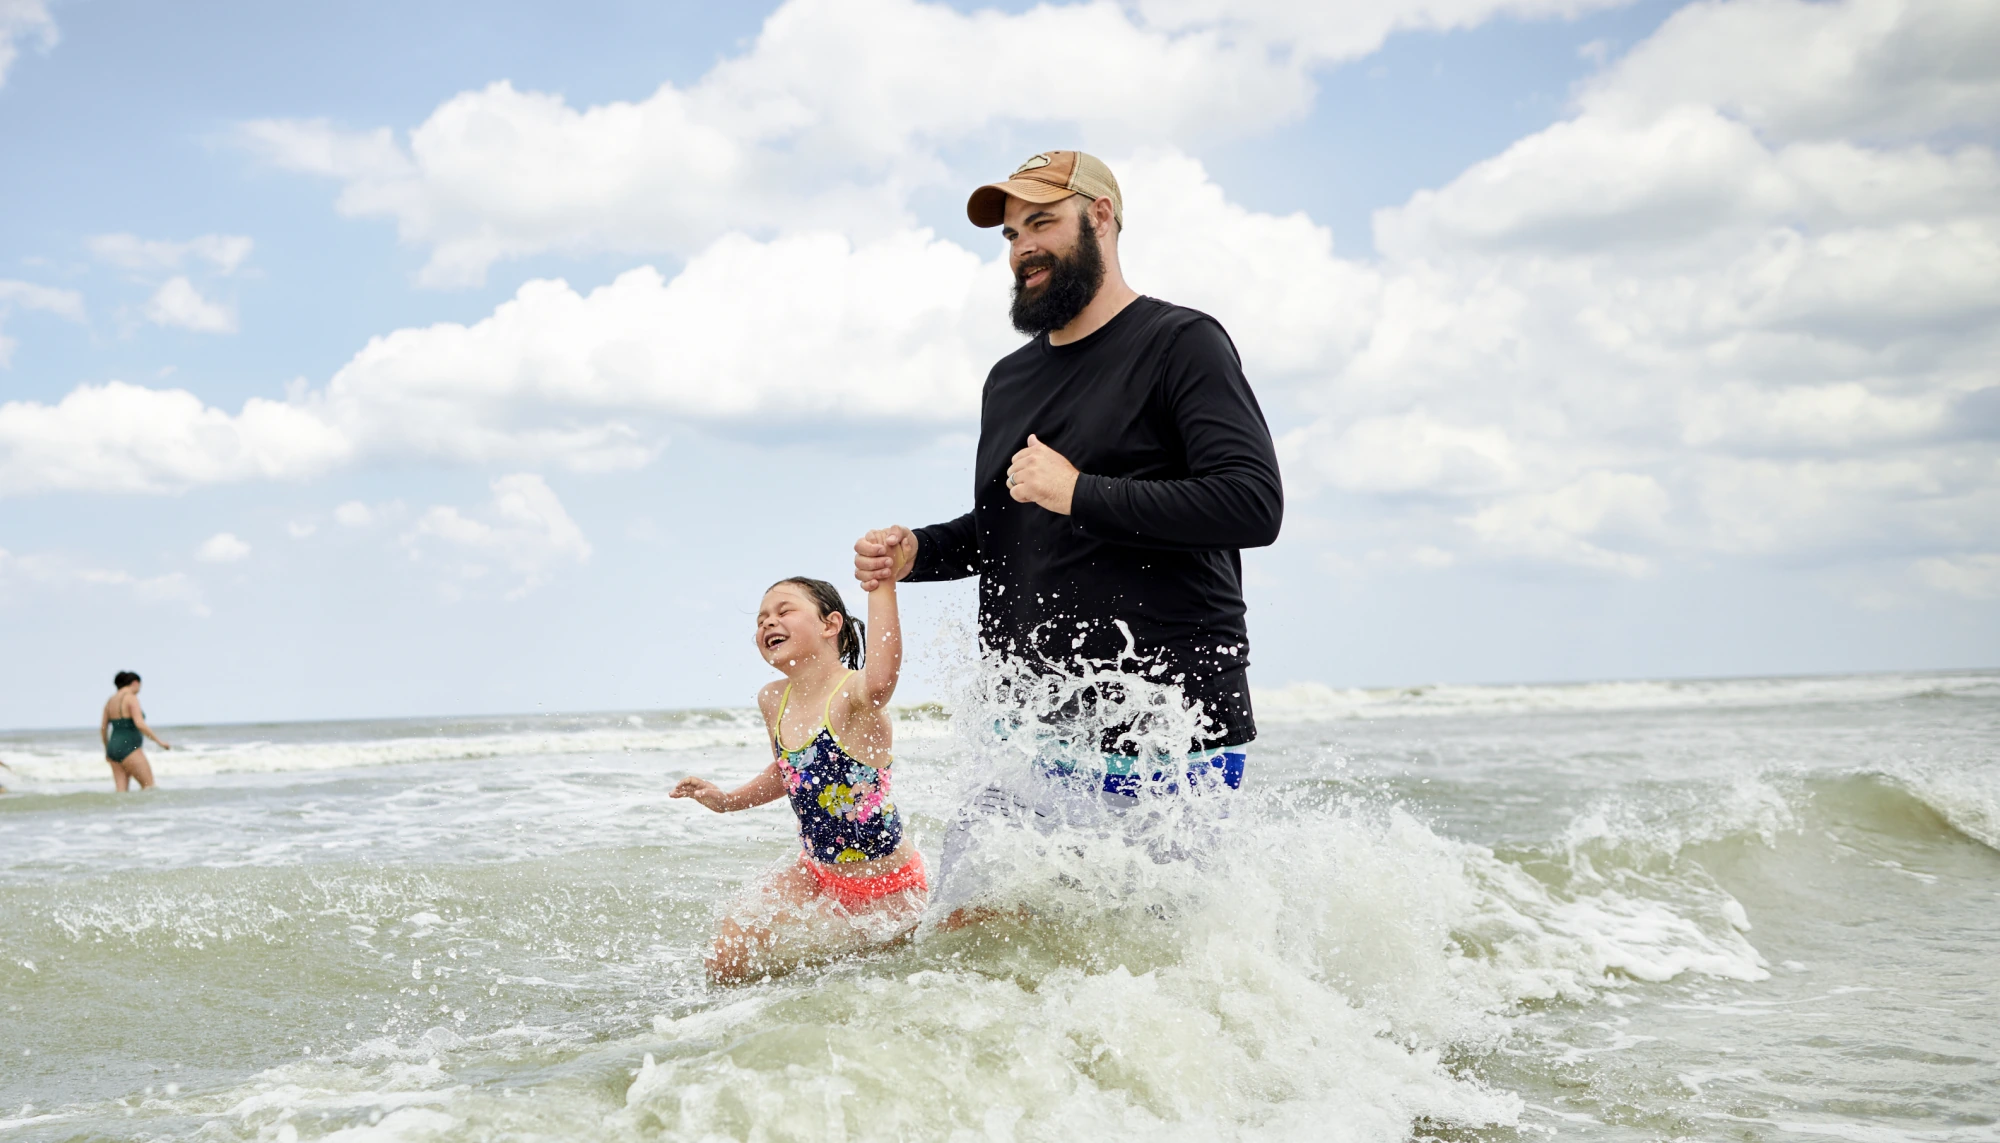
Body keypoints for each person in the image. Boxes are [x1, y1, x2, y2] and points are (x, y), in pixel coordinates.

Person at [852, 150, 1283, 918]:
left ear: (1102, 218)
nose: (1023, 247)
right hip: (1027, 745)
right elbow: (1011, 528)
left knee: (1150, 972)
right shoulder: (1008, 380)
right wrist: (921, 551)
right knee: (965, 934)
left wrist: (1079, 490)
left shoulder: (1182, 344)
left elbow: (1252, 503)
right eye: (1013, 233)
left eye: (1043, 222)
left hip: (1166, 745)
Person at [671, 570, 924, 983]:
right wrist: (727, 800)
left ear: (830, 624)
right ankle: (727, 1033)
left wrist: (883, 586)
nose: (768, 622)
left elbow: (881, 679)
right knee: (728, 953)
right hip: (817, 873)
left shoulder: (855, 693)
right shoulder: (773, 698)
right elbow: (790, 770)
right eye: (760, 619)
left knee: (864, 981)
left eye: (784, 610)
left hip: (887, 885)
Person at [101, 670, 171, 791]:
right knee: (149, 787)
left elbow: (103, 728)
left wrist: (107, 749)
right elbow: (140, 724)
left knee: (121, 792)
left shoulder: (110, 700)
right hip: (129, 747)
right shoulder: (131, 698)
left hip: (113, 748)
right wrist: (159, 742)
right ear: (135, 683)